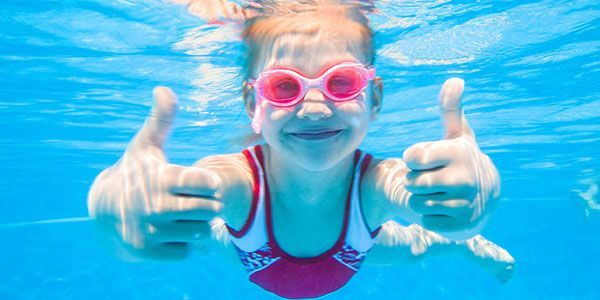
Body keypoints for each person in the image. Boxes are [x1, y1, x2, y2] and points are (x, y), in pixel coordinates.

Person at [87, 1, 514, 298]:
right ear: (254, 104)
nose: (313, 107)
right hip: (251, 257)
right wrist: (118, 210)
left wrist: (456, 203)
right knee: (200, 233)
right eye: (284, 87)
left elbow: (411, 191)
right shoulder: (236, 182)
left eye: (341, 82)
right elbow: (190, 190)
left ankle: (464, 248)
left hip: (350, 254)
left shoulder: (375, 184)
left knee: (419, 246)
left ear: (375, 100)